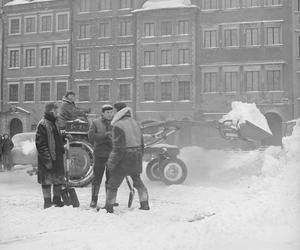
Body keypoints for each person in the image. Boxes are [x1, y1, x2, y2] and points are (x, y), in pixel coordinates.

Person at [104, 102, 150, 213]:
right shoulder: (135, 123)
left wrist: (111, 163)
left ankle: (109, 207)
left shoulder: (118, 125)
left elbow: (118, 148)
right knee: (138, 182)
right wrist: (139, 156)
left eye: (114, 110)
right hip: (136, 155)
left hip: (124, 158)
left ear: (118, 111)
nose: (113, 112)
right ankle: (145, 204)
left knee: (113, 184)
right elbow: (142, 144)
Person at [35, 102, 66, 209]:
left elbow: (56, 138)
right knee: (47, 180)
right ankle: (47, 202)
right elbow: (40, 144)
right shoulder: (43, 124)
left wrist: (64, 137)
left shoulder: (55, 123)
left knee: (58, 179)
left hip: (57, 156)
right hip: (47, 158)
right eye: (56, 110)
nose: (58, 112)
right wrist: (47, 160)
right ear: (51, 111)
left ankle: (57, 200)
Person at [88, 104, 114, 208]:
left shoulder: (115, 123)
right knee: (97, 179)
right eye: (107, 112)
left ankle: (110, 200)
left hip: (112, 155)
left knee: (111, 179)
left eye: (111, 112)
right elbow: (91, 136)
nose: (110, 114)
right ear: (102, 113)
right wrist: (104, 136)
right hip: (100, 154)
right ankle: (94, 200)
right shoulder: (95, 122)